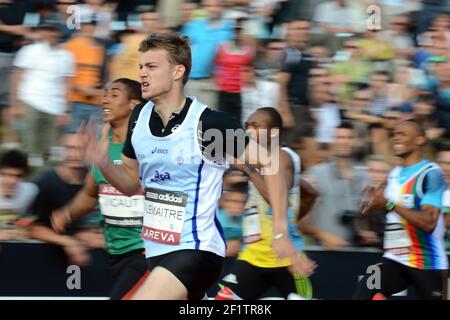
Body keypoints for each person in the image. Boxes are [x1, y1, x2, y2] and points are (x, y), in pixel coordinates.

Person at [81, 32, 302, 300]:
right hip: (155, 252)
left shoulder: (208, 125)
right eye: (141, 66)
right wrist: (103, 162)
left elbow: (269, 163)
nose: (142, 74)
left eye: (151, 66)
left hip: (197, 250)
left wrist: (280, 232)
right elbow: (130, 183)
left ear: (177, 71)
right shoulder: (138, 117)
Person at [51, 78, 148, 300]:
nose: (105, 100)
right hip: (116, 252)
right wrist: (66, 213)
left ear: (133, 104)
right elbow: (90, 193)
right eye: (105, 94)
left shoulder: (147, 146)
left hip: (146, 252)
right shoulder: (99, 144)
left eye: (114, 95)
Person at [216, 107, 317, 300]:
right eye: (247, 125)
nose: (248, 130)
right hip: (253, 256)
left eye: (256, 126)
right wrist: (295, 218)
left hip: (284, 258)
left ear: (273, 132)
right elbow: (310, 193)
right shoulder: (257, 159)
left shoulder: (282, 157)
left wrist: (248, 171)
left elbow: (277, 200)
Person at [354, 120, 448, 300]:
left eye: (402, 134)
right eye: (395, 134)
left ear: (420, 140)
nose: (396, 137)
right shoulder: (394, 173)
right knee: (364, 292)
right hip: (395, 258)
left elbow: (429, 223)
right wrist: (373, 206)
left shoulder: (431, 174)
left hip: (427, 262)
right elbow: (389, 213)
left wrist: (389, 204)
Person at [28, 132, 99, 267]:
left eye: (81, 148)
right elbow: (31, 227)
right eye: (70, 148)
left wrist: (100, 239)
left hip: (93, 259)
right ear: (62, 151)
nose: (76, 154)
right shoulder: (46, 182)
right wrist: (67, 242)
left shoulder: (97, 179)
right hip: (48, 257)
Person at [0, 149, 38, 240]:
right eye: (8, 175)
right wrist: (7, 235)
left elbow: (32, 220)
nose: (12, 181)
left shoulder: (31, 191)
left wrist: (26, 227)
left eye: (18, 176)